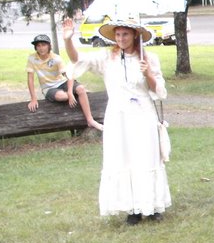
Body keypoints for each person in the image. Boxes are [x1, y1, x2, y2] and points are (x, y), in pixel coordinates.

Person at [62, 17, 171, 224]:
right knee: (123, 157)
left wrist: (148, 73)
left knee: (145, 157)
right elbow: (77, 59)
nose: (121, 38)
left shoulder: (149, 58)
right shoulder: (106, 58)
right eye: (118, 34)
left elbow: (159, 91)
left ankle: (152, 205)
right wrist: (68, 39)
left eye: (126, 34)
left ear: (135, 35)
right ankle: (132, 209)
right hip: (118, 115)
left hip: (142, 113)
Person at [26, 33, 103, 131]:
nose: (41, 48)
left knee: (81, 89)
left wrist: (70, 92)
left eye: (44, 45)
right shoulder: (32, 58)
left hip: (62, 82)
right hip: (49, 88)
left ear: (49, 46)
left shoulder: (56, 58)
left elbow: (69, 75)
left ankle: (90, 120)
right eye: (38, 45)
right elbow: (30, 79)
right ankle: (80, 96)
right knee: (62, 97)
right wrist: (33, 99)